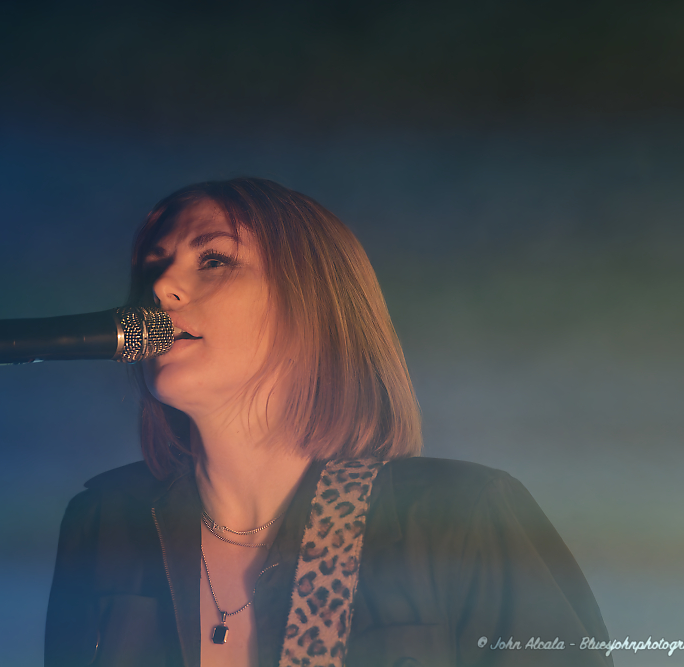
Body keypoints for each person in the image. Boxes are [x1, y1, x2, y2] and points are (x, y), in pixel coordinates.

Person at [45, 178, 613, 667]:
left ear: (310, 304)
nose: (159, 287)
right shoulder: (104, 523)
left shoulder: (462, 516)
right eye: (152, 265)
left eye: (213, 259)